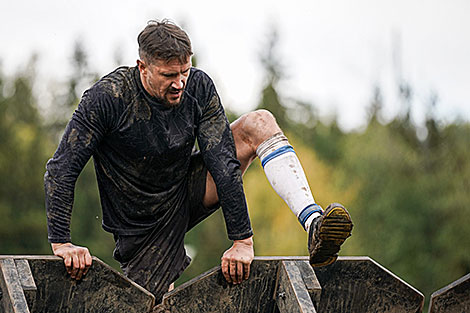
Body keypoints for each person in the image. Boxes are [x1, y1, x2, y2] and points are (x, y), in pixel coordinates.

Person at [45, 19, 353, 304]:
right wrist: (61, 243)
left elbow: (222, 160)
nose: (179, 83)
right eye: (168, 75)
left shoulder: (199, 87)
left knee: (258, 123)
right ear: (143, 67)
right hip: (140, 225)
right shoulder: (107, 98)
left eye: (184, 72)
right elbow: (62, 167)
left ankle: (313, 223)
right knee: (153, 304)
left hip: (187, 190)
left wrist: (242, 241)